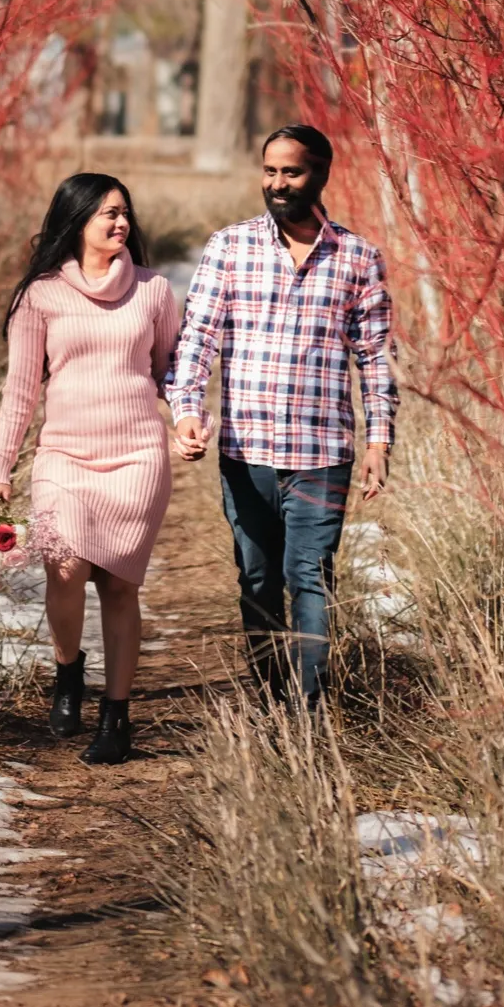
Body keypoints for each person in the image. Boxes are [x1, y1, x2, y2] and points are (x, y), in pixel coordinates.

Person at [169, 124, 395, 709]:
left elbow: (374, 358)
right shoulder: (229, 247)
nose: (277, 183)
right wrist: (187, 410)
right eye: (269, 171)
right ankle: (272, 695)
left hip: (322, 456)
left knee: (312, 579)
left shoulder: (358, 259)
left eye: (290, 172)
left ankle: (307, 709)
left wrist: (379, 443)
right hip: (247, 455)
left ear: (320, 173)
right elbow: (197, 339)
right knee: (258, 582)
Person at [0, 172, 182, 766]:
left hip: (137, 456)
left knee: (121, 586)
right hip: (63, 455)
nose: (120, 223)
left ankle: (116, 719)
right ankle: (69, 671)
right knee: (65, 567)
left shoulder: (154, 291)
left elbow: (172, 372)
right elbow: (20, 392)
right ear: (77, 223)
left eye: (124, 212)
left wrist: (187, 421)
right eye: (106, 214)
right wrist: (1, 471)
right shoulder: (41, 295)